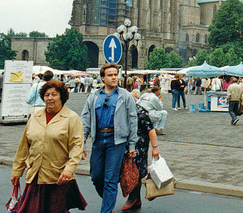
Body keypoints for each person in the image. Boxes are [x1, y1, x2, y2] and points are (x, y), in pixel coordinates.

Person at [11, 79, 87, 212]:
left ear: (61, 97)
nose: (50, 98)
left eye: (54, 94)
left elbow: (76, 147)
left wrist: (69, 169)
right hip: (35, 174)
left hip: (58, 176)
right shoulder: (35, 117)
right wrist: (17, 171)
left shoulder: (71, 118)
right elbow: (24, 146)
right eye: (47, 95)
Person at [81, 63, 138, 213]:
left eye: (115, 74)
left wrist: (132, 145)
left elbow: (133, 121)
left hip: (116, 141)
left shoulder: (125, 95)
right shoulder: (94, 96)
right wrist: (82, 143)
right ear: (102, 78)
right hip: (98, 139)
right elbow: (85, 119)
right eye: (110, 75)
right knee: (96, 176)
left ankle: (106, 210)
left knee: (110, 180)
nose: (114, 77)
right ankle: (108, 200)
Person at [122, 90, 160, 211]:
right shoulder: (121, 111)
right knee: (129, 171)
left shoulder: (140, 112)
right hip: (126, 146)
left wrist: (155, 148)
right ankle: (135, 198)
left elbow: (151, 130)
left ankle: (133, 198)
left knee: (136, 172)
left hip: (139, 147)